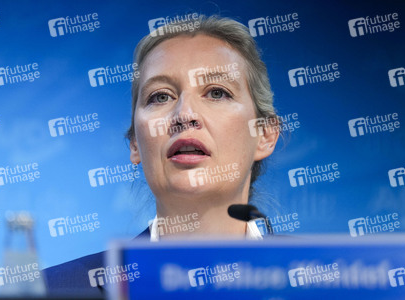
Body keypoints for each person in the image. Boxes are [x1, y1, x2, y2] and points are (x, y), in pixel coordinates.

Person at [44, 15, 280, 296]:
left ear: (264, 135)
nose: (185, 115)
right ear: (134, 144)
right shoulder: (54, 290)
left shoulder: (330, 281)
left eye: (217, 93)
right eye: (160, 96)